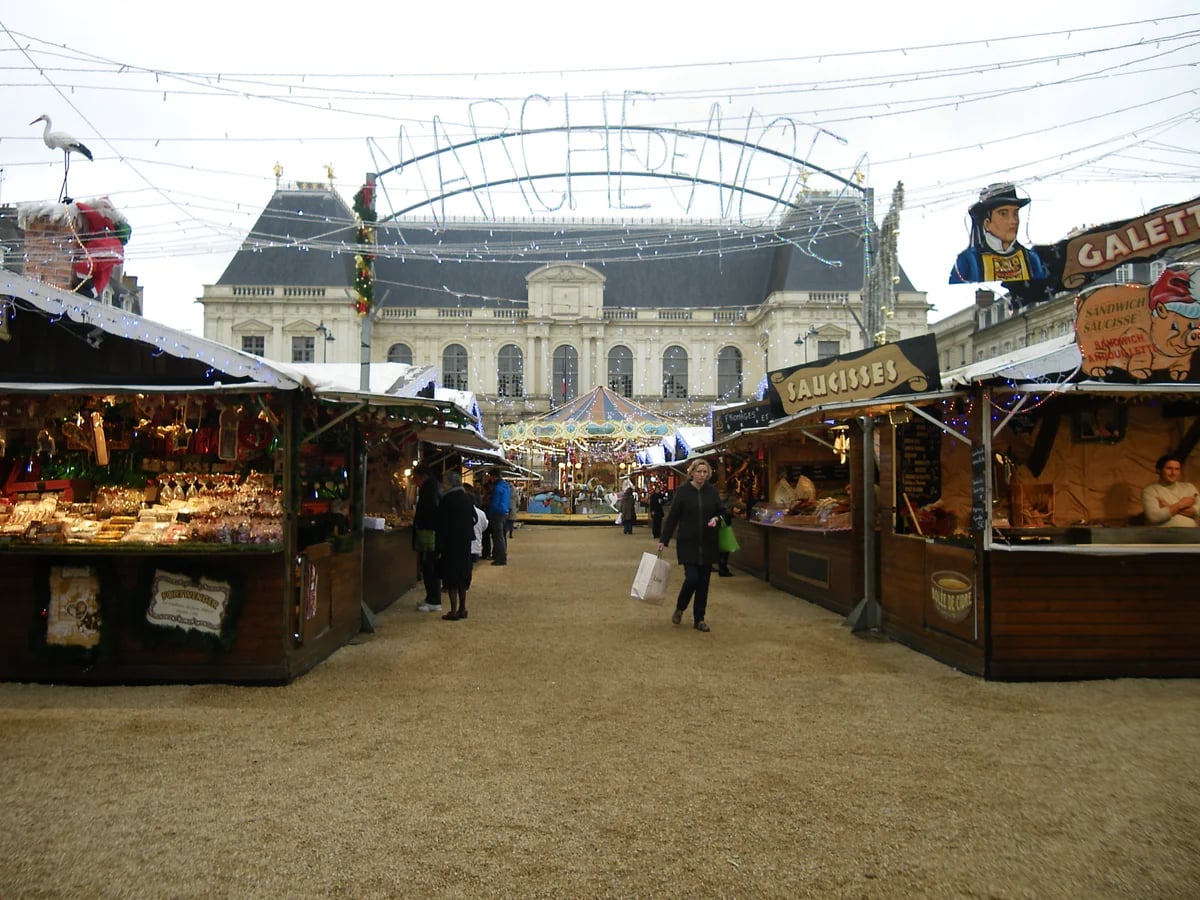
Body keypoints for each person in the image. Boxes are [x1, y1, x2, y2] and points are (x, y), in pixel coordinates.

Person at [658, 458, 727, 633]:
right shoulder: (683, 492)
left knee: (704, 584)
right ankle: (680, 607)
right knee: (692, 578)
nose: (702, 475)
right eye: (699, 472)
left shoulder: (712, 492)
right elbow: (673, 517)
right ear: (692, 472)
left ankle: (699, 619)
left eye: (705, 472)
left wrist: (716, 518)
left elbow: (722, 512)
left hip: (708, 542)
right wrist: (663, 540)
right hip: (688, 542)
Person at [949, 183, 1048, 285]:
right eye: (1003, 213)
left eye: (1015, 213)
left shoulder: (1030, 259)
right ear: (987, 223)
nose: (1013, 221)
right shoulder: (969, 261)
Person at [435, 471, 478, 620]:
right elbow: (474, 518)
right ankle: (462, 608)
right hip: (465, 541)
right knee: (463, 575)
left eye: (444, 482)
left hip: (451, 542)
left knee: (451, 576)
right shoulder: (467, 498)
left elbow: (441, 525)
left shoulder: (447, 500)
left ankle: (453, 611)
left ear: (449, 484)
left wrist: (438, 546)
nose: (443, 485)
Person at [412, 467, 442, 613]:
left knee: (430, 566)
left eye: (415, 478)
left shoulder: (430, 490)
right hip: (431, 533)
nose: (414, 482)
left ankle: (434, 600)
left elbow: (430, 510)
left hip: (429, 534)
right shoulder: (434, 487)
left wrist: (420, 521)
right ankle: (431, 597)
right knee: (429, 566)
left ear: (422, 476)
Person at [1142, 454, 1199, 527]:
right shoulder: (1150, 491)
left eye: (1177, 469)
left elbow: (1198, 511)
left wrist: (1168, 507)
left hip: (1192, 533)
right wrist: (1180, 505)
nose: (1173, 473)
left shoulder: (1189, 487)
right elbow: (1154, 517)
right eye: (1169, 468)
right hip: (1166, 534)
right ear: (1158, 470)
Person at [487, 473, 511, 565]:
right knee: (502, 536)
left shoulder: (497, 488)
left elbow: (495, 502)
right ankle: (502, 555)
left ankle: (500, 559)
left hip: (497, 513)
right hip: (505, 512)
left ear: (494, 477)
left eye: (490, 476)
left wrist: (490, 513)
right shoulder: (506, 486)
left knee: (497, 537)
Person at [465, 484, 489, 561]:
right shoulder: (481, 513)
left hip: (464, 548)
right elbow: (485, 526)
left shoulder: (460, 512)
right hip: (476, 549)